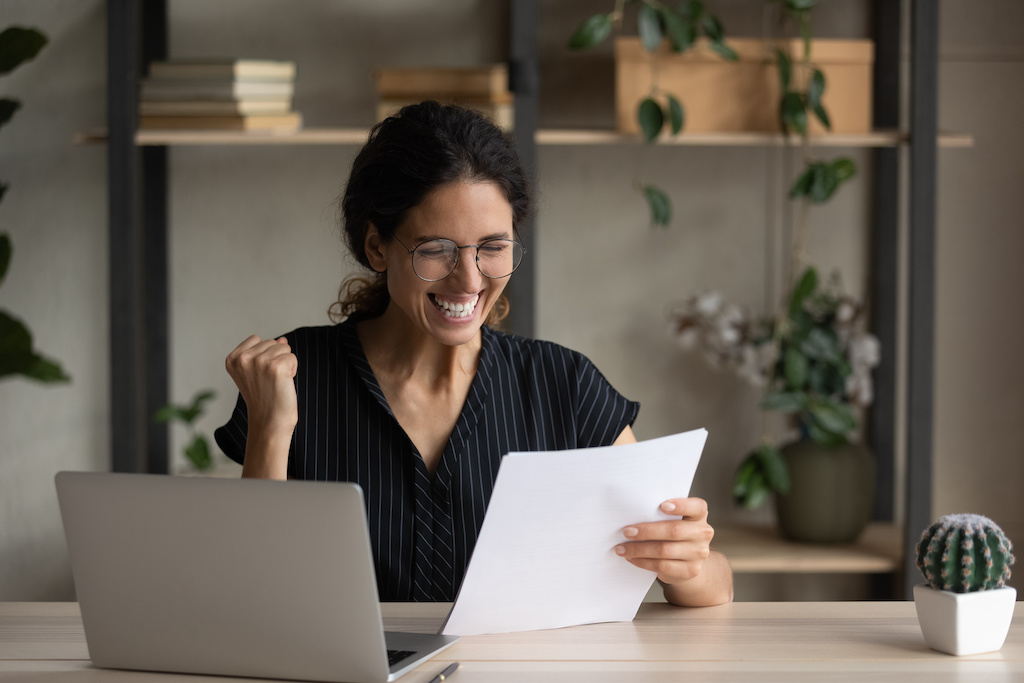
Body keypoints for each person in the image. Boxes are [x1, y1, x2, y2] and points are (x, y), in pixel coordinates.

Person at [214, 101, 732, 607]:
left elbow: (717, 585)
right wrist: (273, 427)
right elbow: (248, 592)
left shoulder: (562, 384)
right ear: (376, 247)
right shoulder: (294, 376)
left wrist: (687, 562)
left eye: (493, 246)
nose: (469, 279)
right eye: (435, 249)